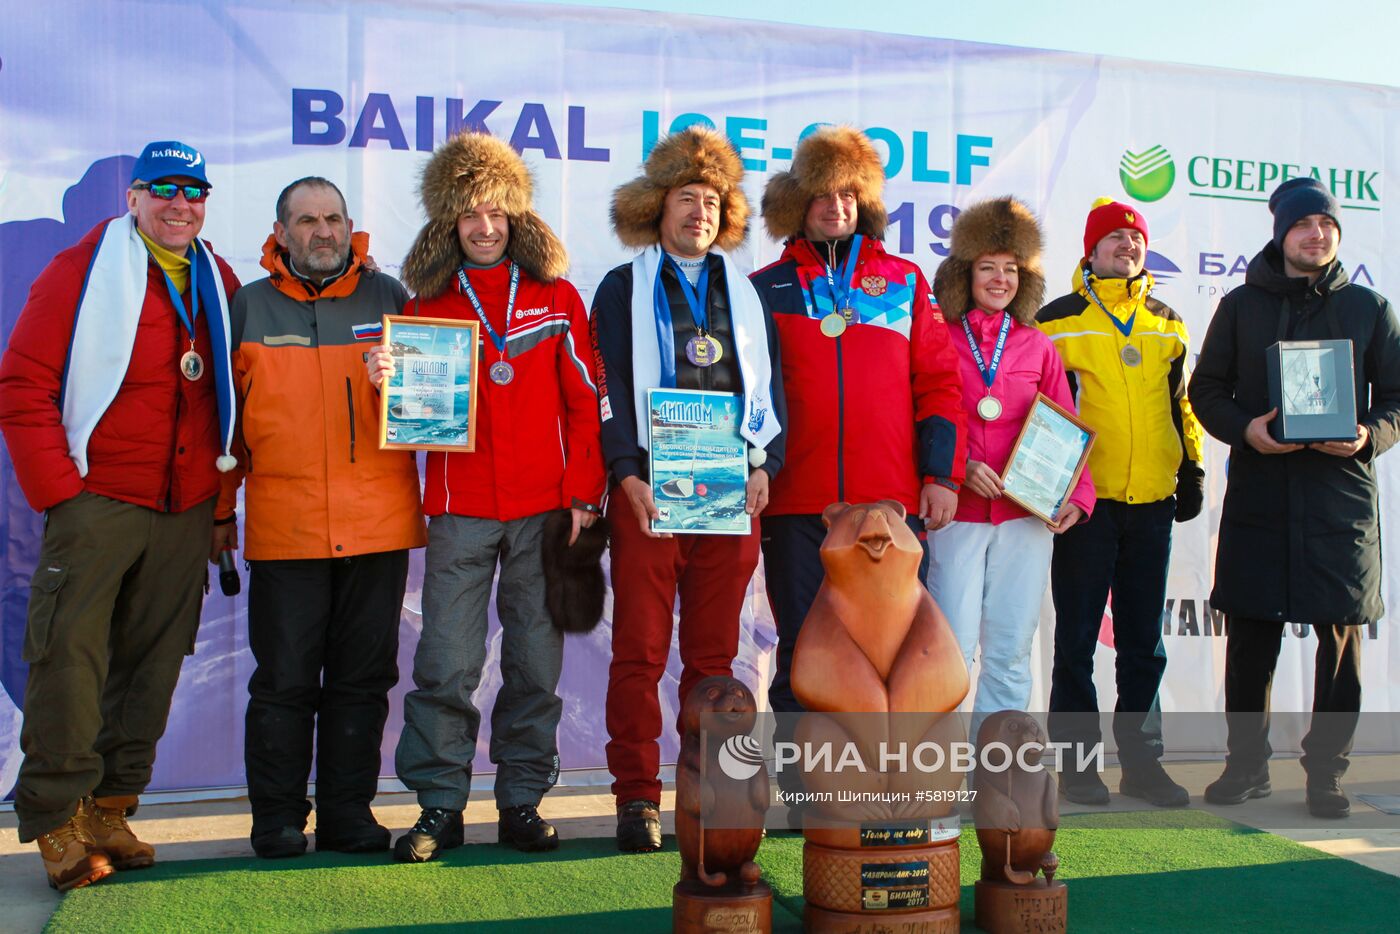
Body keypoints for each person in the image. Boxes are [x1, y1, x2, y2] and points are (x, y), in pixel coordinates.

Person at [0, 141, 240, 889]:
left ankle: (110, 806)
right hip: (98, 500)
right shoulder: (78, 271)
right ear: (134, 197)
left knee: (150, 666)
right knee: (70, 661)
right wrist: (62, 493)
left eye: (194, 191)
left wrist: (219, 506)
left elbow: (229, 402)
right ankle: (56, 821)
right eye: (164, 189)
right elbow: (21, 384)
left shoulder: (218, 277)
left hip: (183, 507)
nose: (181, 204)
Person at [369, 132, 604, 861]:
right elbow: (414, 419)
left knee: (536, 661)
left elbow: (585, 401)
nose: (485, 225)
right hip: (459, 508)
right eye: (470, 212)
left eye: (498, 209)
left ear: (517, 215)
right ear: (449, 220)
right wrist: (388, 382)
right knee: (446, 661)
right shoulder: (426, 302)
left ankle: (521, 801)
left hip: (541, 509)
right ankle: (439, 804)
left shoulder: (558, 295)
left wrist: (583, 497)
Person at [212, 177, 426, 858]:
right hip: (286, 529)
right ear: (280, 232)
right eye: (307, 221)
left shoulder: (390, 298)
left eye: (334, 218)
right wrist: (221, 517)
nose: (323, 232)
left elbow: (434, 414)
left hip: (378, 527)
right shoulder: (246, 306)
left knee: (362, 683)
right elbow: (227, 434)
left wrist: (406, 384)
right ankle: (275, 821)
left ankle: (347, 817)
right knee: (283, 683)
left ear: (350, 224)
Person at [591, 125, 784, 852]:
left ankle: (708, 798)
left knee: (712, 661)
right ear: (657, 207)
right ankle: (637, 797)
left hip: (728, 491)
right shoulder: (622, 287)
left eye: (711, 201)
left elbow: (771, 389)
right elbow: (605, 383)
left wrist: (768, 464)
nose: (699, 212)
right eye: (685, 199)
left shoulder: (748, 291)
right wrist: (625, 473)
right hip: (649, 490)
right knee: (639, 653)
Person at [1192, 177, 1400, 819]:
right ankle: (1246, 767)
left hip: (1341, 503)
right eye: (1305, 225)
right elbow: (1207, 391)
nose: (1317, 235)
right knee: (1251, 638)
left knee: (1341, 644)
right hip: (1261, 494)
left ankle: (1326, 776)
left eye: (1328, 226)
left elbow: (1395, 403)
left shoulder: (1371, 307)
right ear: (1282, 232)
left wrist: (1369, 435)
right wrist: (1246, 430)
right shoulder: (1240, 305)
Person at [749, 125, 966, 715]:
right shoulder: (763, 289)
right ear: (799, 203)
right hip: (797, 502)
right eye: (821, 193)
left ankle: (887, 802)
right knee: (802, 651)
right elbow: (750, 392)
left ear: (864, 201)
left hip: (889, 510)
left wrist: (941, 476)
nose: (835, 205)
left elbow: (940, 385)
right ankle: (808, 799)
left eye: (848, 193)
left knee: (892, 653)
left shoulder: (905, 282)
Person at [1036, 198, 1205, 807]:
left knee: (1142, 640)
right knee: (1077, 637)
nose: (1126, 247)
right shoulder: (1056, 320)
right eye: (1114, 240)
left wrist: (1194, 468)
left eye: (1134, 240)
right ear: (1091, 250)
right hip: (1086, 504)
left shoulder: (1169, 322)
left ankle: (1143, 763)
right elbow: (1042, 412)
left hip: (1152, 501)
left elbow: (1180, 403)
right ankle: (1078, 767)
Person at [925, 197, 1095, 736]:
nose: (1000, 279)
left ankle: (996, 771)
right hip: (959, 513)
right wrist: (958, 465)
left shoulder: (1038, 345)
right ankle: (941, 777)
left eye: (1011, 269)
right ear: (964, 272)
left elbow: (1064, 423)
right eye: (987, 267)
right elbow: (923, 415)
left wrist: (1077, 495)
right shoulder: (937, 337)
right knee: (949, 650)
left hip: (1025, 517)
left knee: (1010, 648)